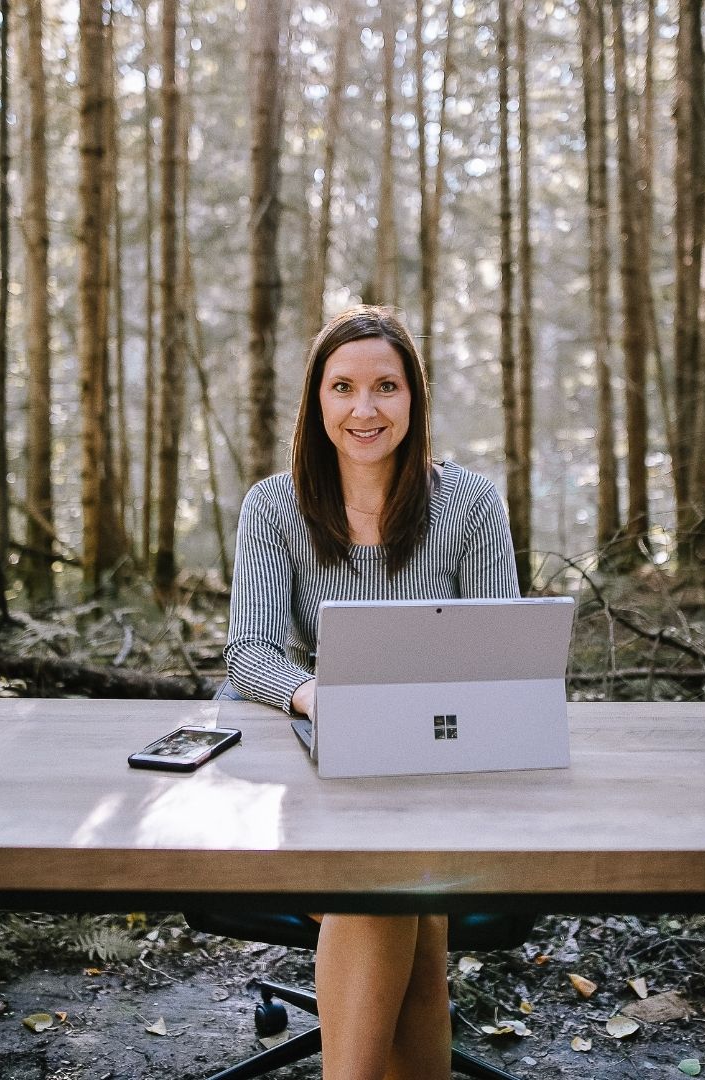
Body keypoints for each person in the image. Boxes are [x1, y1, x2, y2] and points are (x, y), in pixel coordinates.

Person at [225, 305, 520, 1080]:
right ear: (316, 402)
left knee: (389, 881)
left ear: (414, 399)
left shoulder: (472, 505)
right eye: (344, 387)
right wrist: (321, 697)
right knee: (397, 890)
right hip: (322, 763)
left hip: (447, 767)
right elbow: (250, 653)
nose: (364, 409)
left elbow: (507, 659)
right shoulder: (273, 506)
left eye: (386, 386)